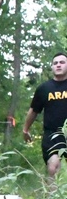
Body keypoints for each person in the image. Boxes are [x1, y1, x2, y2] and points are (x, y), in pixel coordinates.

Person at [22, 52, 67, 182]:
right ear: (52, 67)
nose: (58, 65)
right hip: (51, 135)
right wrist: (25, 130)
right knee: (53, 167)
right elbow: (33, 111)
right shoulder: (44, 89)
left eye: (62, 62)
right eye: (55, 63)